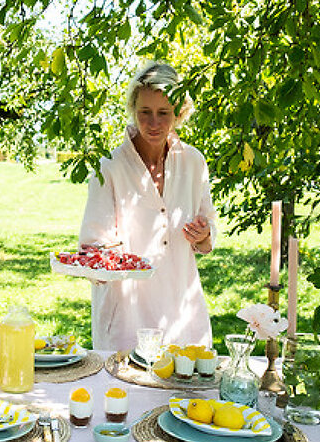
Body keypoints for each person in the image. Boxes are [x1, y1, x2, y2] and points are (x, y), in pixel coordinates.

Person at [79, 61, 218, 352]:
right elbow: (92, 247)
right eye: (145, 112)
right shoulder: (109, 167)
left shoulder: (194, 163)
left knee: (188, 396)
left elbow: (208, 236)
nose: (153, 123)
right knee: (124, 393)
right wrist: (105, 257)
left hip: (182, 310)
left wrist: (203, 235)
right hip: (127, 317)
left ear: (179, 114)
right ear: (133, 110)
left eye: (163, 113)